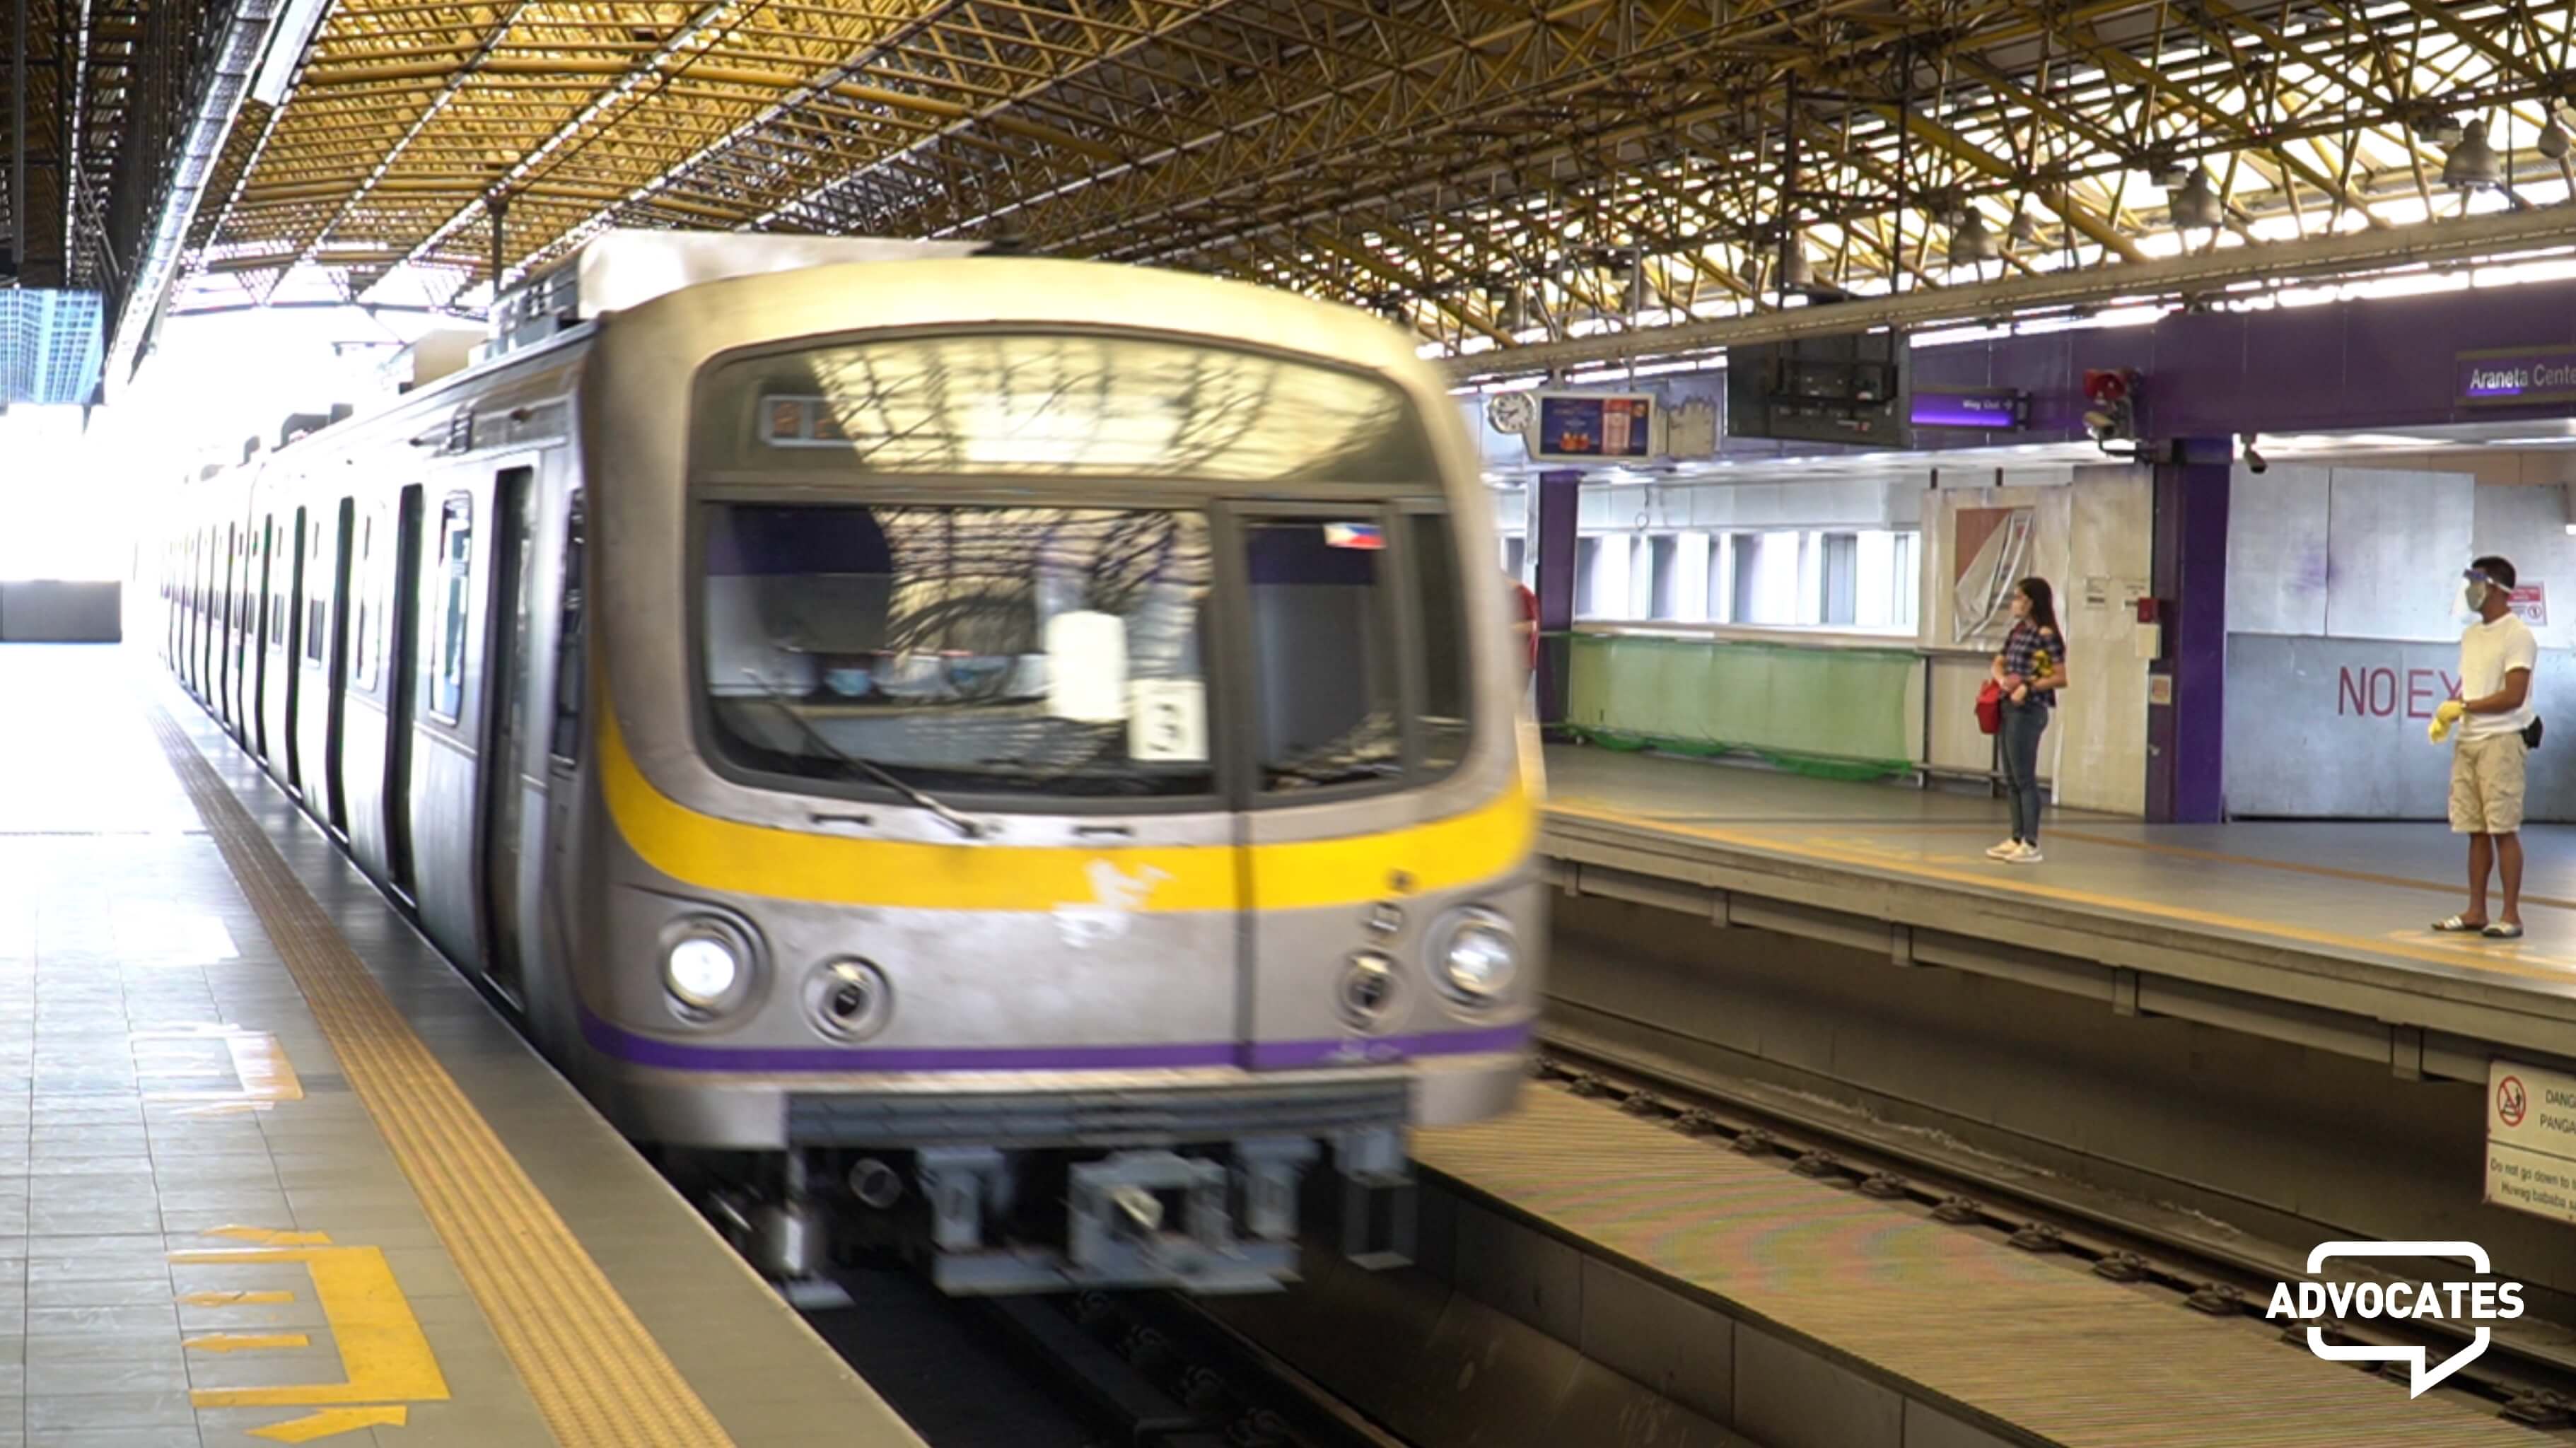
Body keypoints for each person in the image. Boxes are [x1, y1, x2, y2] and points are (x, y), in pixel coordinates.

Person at [2431, 556, 2538, 940]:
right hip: (2470, 739)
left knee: (2503, 828)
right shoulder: (2472, 636)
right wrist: (2451, 715)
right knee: (2475, 829)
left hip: (2501, 740)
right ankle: (2476, 910)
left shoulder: (2517, 635)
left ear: (2494, 587)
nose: (2470, 591)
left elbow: (2513, 695)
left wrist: (2467, 707)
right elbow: (2474, 687)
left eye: (2475, 582)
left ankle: (2511, 914)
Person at [1987, 578, 2070, 865]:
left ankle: (2031, 842)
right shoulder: (2018, 632)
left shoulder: (2045, 635)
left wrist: (2028, 687)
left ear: (2032, 601)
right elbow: (1999, 662)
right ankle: (2016, 836)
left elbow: (2057, 676)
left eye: (2019, 597)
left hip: (2029, 711)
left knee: (2024, 777)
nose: (2015, 603)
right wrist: (2003, 680)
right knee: (2011, 777)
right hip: (2008, 706)